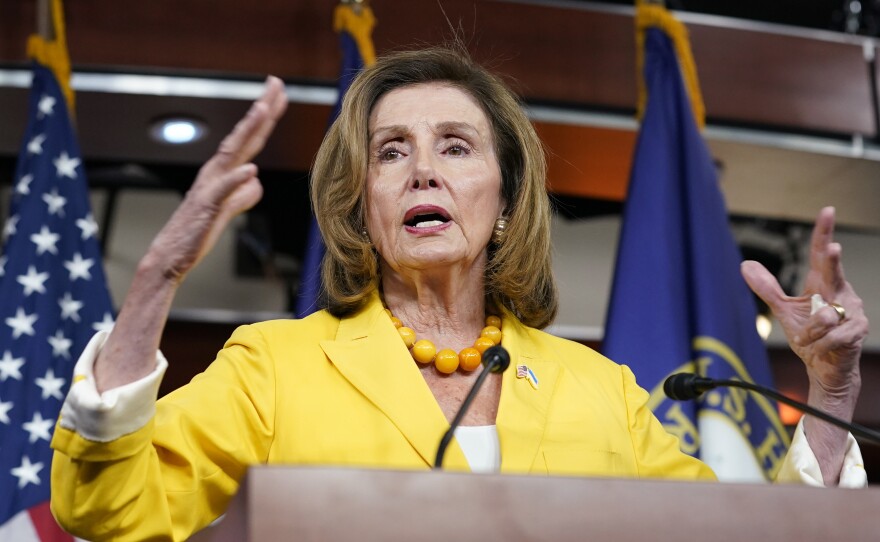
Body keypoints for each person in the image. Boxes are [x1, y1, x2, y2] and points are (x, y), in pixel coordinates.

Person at [50, 47, 868, 541]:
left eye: (454, 146)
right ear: (362, 203)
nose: (423, 170)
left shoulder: (601, 390)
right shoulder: (275, 366)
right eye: (391, 151)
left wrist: (830, 388)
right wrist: (154, 283)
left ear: (507, 200)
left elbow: (753, 537)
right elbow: (109, 510)